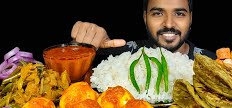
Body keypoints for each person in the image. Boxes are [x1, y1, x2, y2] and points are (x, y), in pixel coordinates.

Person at [71, 0, 216, 67]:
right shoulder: (121, 55)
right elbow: (71, 73)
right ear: (145, 17)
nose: (169, 24)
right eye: (158, 13)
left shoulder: (214, 63)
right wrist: (80, 48)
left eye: (179, 13)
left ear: (191, 18)